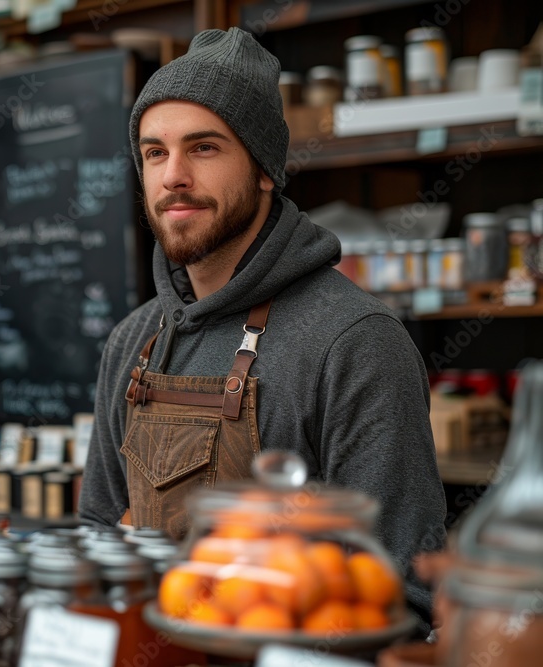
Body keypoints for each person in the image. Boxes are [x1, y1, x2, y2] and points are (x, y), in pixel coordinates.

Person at [79, 28, 446, 635]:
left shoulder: (355, 342)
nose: (172, 176)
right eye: (154, 152)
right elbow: (97, 540)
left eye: (203, 148)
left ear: (265, 171)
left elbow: (400, 593)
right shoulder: (132, 342)